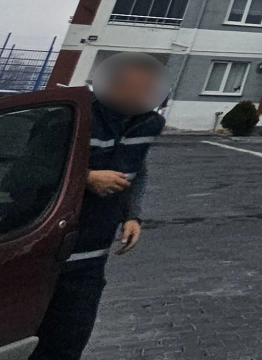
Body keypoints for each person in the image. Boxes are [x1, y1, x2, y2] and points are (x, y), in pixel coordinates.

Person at [33, 52, 168, 360]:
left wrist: (132, 215)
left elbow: (137, 170)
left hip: (91, 255)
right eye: (136, 86)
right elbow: (31, 169)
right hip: (43, 247)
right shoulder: (74, 114)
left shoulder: (147, 123)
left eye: (149, 88)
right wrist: (87, 177)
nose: (144, 94)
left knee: (69, 339)